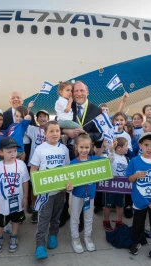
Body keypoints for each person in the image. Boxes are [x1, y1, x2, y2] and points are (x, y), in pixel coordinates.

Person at [61, 81, 103, 225]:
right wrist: (66, 131)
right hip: (70, 152)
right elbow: (56, 126)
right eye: (75, 91)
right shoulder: (67, 107)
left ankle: (82, 219)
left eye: (81, 91)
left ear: (87, 92)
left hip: (86, 154)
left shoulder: (97, 110)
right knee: (68, 184)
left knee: (84, 186)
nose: (78, 93)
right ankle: (64, 213)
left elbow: (100, 134)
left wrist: (86, 135)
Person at [30, 121, 70, 260]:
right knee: (43, 218)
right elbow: (34, 169)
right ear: (45, 133)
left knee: (56, 215)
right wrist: (36, 186)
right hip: (45, 192)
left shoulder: (64, 149)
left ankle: (53, 235)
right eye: (51, 131)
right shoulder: (40, 149)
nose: (55, 134)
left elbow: (67, 169)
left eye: (57, 131)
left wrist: (66, 185)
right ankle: (40, 244)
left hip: (60, 191)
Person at [0, 137, 30, 254]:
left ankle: (14, 236)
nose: (12, 154)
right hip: (3, 202)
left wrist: (25, 197)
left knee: (16, 221)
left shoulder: (21, 164)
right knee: (1, 223)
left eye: (14, 151)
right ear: (1, 152)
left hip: (17, 200)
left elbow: (25, 181)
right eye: (9, 152)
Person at [69, 133, 104, 253]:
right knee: (75, 218)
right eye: (81, 147)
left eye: (87, 147)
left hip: (90, 195)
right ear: (76, 147)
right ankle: (75, 238)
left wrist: (111, 151)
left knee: (88, 218)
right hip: (77, 195)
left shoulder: (94, 160)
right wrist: (69, 187)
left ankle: (87, 237)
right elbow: (68, 183)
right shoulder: (72, 163)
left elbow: (108, 161)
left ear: (91, 147)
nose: (84, 150)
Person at [25, 110, 49, 221]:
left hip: (47, 164)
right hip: (34, 163)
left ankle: (45, 209)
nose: (42, 118)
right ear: (37, 119)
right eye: (40, 116)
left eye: (44, 116)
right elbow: (23, 125)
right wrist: (28, 110)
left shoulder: (51, 130)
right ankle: (35, 209)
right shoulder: (33, 129)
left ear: (48, 119)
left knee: (46, 187)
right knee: (34, 188)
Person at [103, 137, 128, 231]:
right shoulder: (112, 157)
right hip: (111, 185)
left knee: (120, 205)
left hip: (121, 186)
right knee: (108, 205)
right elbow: (109, 159)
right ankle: (106, 221)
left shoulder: (125, 158)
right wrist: (111, 150)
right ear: (119, 148)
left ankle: (119, 222)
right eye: (126, 146)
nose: (127, 148)